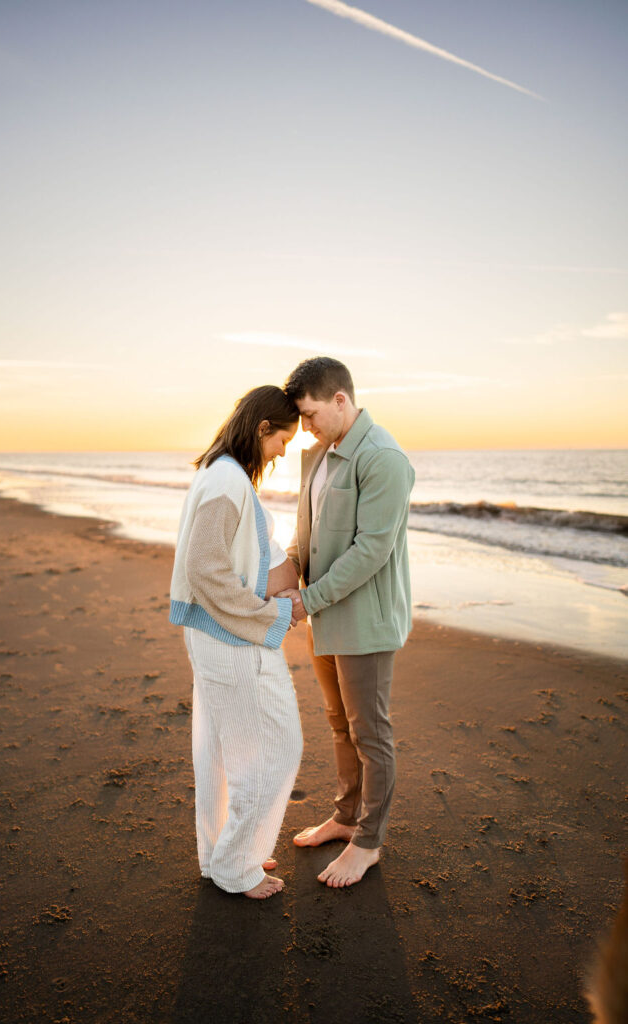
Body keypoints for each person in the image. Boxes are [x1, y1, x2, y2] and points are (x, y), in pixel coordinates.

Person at [281, 357, 415, 888]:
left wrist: (307, 599)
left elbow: (370, 552)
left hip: (364, 622)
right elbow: (304, 536)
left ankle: (369, 841)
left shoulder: (384, 458)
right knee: (340, 725)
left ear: (340, 400)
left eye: (311, 415)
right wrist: (287, 579)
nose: (305, 429)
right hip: (323, 613)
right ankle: (345, 817)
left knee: (370, 731)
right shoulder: (315, 456)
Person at [169, 385, 303, 899]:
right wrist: (269, 613)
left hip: (214, 636)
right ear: (262, 428)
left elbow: (231, 560)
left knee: (222, 751)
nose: (284, 453)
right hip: (229, 639)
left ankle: (224, 855)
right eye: (282, 440)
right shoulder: (226, 479)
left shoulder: (221, 472)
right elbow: (206, 568)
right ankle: (236, 867)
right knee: (276, 747)